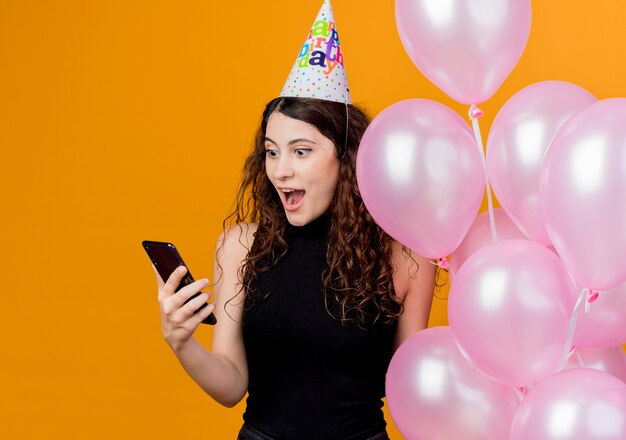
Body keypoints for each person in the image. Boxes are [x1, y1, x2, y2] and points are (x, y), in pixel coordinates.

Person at [153, 1, 435, 438]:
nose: (280, 169)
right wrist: (181, 341)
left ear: (347, 160)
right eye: (271, 150)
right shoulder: (240, 246)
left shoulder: (406, 256)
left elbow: (411, 394)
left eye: (301, 151)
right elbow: (230, 386)